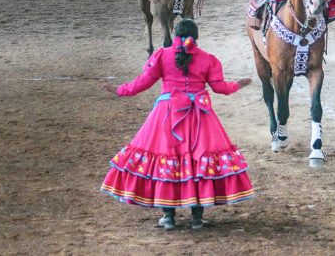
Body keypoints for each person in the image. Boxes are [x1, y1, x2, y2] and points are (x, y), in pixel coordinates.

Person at [100, 18, 254, 230]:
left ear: (175, 35)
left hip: (168, 114)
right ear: (196, 37)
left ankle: (169, 216)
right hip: (199, 116)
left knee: (168, 160)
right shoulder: (208, 59)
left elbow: (142, 83)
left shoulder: (162, 56)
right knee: (197, 162)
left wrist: (119, 89)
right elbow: (221, 88)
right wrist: (239, 84)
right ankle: (197, 218)